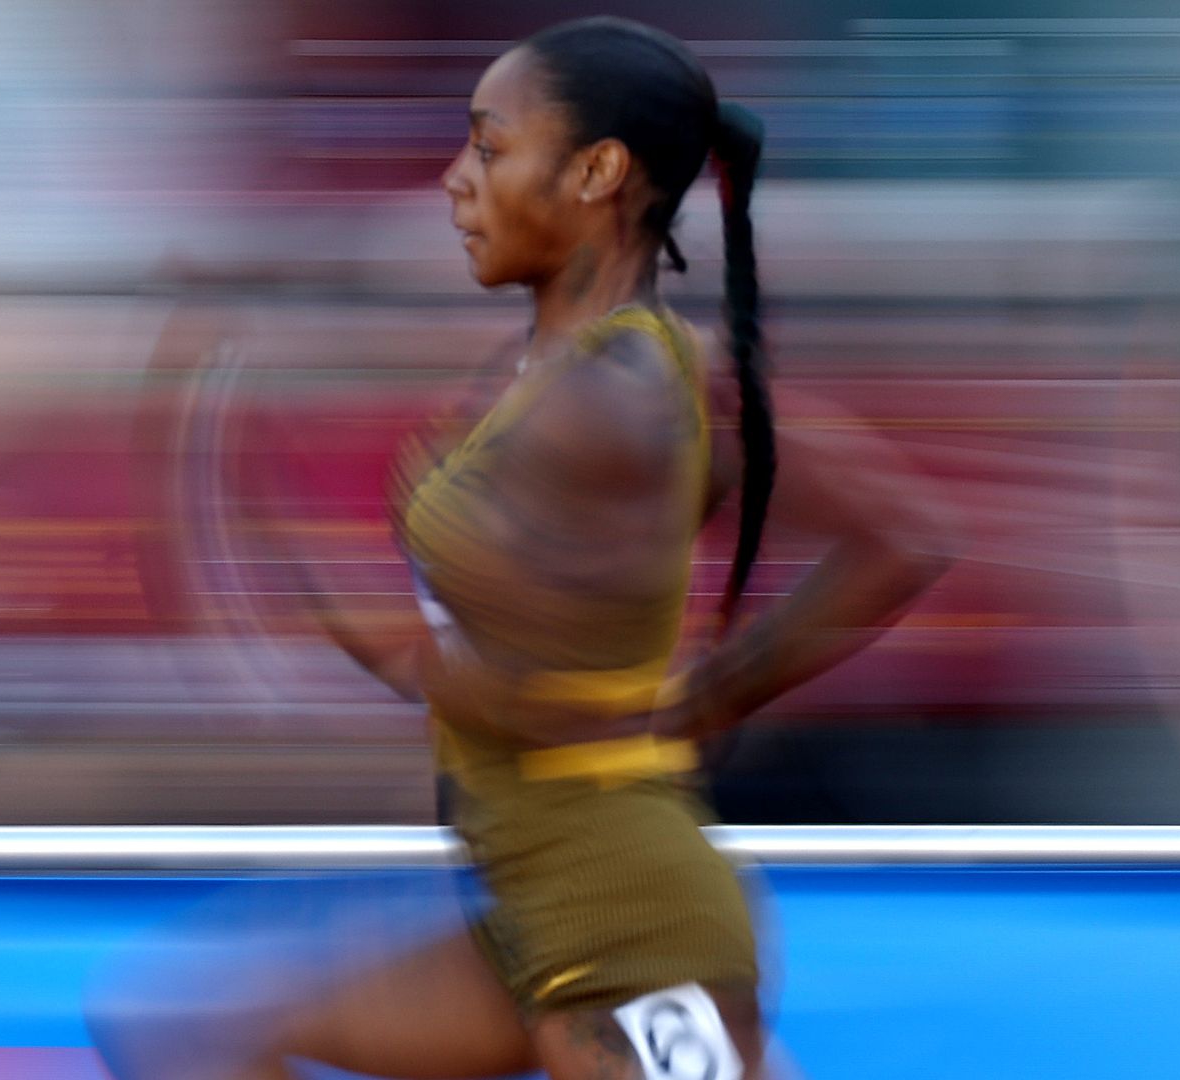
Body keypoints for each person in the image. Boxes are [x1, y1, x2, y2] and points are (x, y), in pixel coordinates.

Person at [93, 15, 953, 1079]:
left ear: (597, 172)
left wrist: (233, 442)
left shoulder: (610, 401)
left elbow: (460, 676)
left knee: (194, 1030)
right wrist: (702, 698)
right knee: (193, 1033)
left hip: (625, 932)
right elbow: (901, 539)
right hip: (536, 910)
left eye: (491, 149)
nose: (457, 180)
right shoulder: (573, 371)